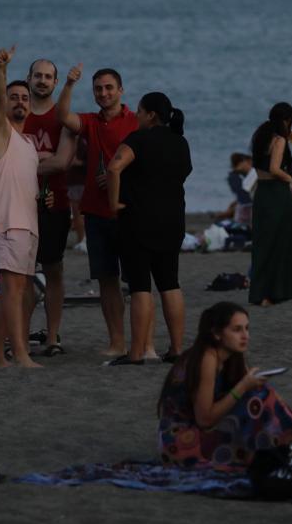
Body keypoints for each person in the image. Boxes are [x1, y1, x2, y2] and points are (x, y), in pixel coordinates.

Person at [157, 302, 292, 470]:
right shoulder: (206, 358)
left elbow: (270, 399)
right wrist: (243, 387)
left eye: (247, 328)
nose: (245, 336)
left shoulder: (232, 356)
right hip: (181, 442)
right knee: (255, 400)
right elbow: (204, 419)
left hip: (202, 433)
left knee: (262, 393)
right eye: (237, 330)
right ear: (216, 333)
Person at [57, 66, 139, 355]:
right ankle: (116, 342)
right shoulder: (90, 122)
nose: (103, 93)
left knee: (138, 281)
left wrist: (121, 175)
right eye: (98, 89)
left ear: (121, 90)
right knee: (107, 280)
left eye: (108, 88)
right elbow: (62, 116)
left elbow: (149, 162)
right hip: (94, 212)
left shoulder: (136, 121)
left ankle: (141, 344)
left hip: (129, 212)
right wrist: (68, 83)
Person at [107, 92, 192, 365]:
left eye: (140, 112)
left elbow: (114, 168)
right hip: (173, 220)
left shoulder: (138, 139)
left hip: (139, 221)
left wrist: (113, 203)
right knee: (170, 282)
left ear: (151, 115)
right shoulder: (180, 143)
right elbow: (184, 173)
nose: (137, 116)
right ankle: (177, 348)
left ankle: (135, 354)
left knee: (140, 286)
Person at [0, 46, 42, 369]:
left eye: (24, 98)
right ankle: (20, 354)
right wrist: (1, 70)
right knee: (13, 290)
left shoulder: (29, 143)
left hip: (28, 224)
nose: (20, 101)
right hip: (7, 223)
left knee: (15, 292)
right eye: (14, 97)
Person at [23, 58, 78, 356]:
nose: (42, 80)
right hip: (20, 204)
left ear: (56, 82)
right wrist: (43, 160)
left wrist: (28, 163)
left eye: (48, 77)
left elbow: (62, 161)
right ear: (28, 78)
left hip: (55, 204)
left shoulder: (62, 117)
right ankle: (19, 334)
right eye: (38, 75)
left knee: (54, 270)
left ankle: (53, 336)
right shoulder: (17, 114)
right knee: (22, 273)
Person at [247, 103, 292, 305]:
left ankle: (263, 295)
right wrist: (289, 178)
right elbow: (274, 169)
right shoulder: (279, 140)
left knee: (267, 245)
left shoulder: (260, 137)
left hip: (262, 193)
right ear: (286, 121)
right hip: (277, 192)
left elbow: (261, 167)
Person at [226, 153, 253, 225]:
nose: (250, 165)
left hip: (243, 207)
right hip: (246, 208)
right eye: (248, 163)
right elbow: (244, 195)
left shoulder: (236, 176)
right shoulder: (236, 177)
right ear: (242, 162)